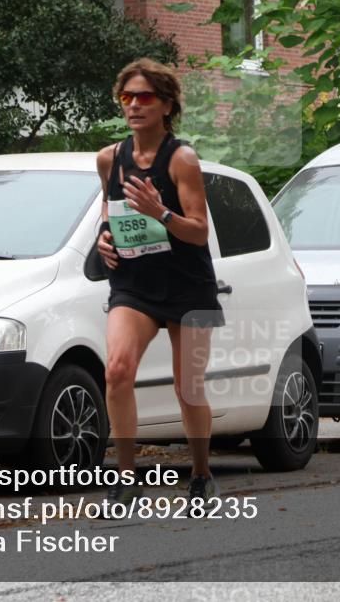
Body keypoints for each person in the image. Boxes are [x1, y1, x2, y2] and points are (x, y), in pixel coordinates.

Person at [96, 58, 224, 512]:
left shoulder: (181, 158)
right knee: (116, 371)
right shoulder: (109, 158)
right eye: (126, 97)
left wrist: (160, 213)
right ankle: (126, 478)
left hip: (189, 285)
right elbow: (109, 215)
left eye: (144, 97)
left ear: (166, 105)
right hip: (134, 284)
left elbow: (199, 231)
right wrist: (104, 241)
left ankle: (202, 474)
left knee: (188, 385)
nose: (133, 105)